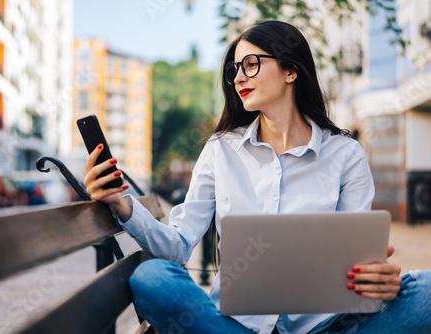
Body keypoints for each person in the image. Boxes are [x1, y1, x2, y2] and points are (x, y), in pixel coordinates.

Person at [83, 21, 431, 334]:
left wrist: (378, 279)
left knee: (425, 289)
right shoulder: (220, 151)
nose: (238, 78)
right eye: (235, 69)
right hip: (237, 325)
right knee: (152, 277)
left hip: (327, 326)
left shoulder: (345, 154)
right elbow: (175, 247)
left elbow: (357, 261)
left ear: (290, 71)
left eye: (251, 64)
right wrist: (121, 204)